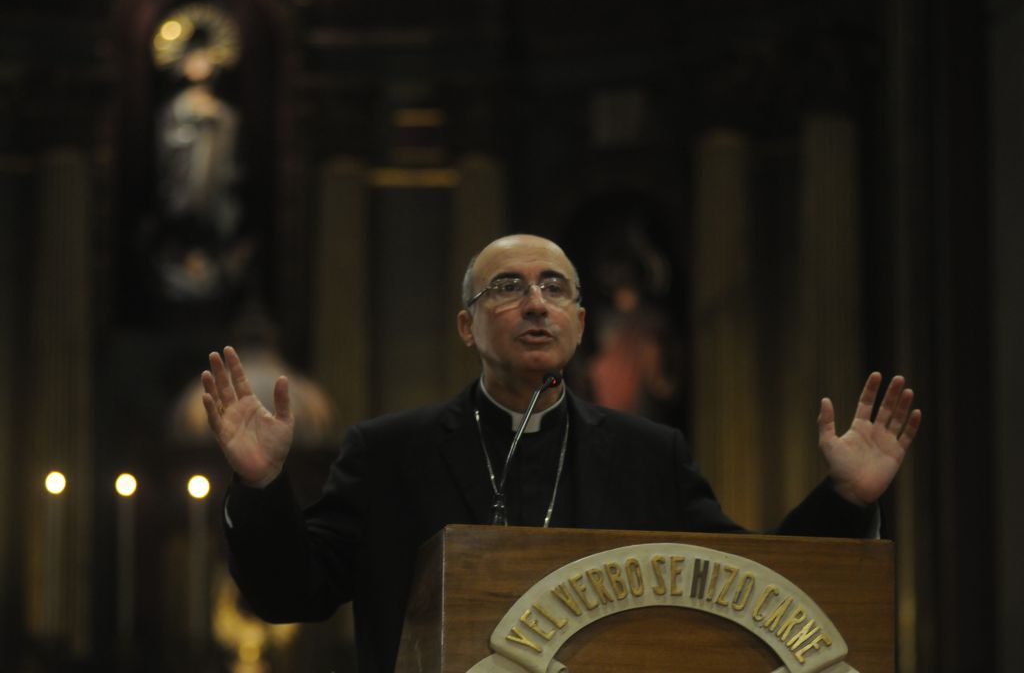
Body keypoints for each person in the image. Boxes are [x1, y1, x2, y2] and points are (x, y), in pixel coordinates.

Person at [201, 234, 921, 673]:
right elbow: (288, 594)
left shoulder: (649, 454)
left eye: (555, 289)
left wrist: (845, 500)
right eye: (507, 288)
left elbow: (743, 597)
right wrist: (261, 486)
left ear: (579, 321)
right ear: (466, 324)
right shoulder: (390, 452)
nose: (536, 304)